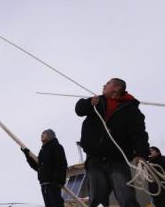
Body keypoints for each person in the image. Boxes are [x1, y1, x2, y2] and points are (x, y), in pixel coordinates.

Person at [75, 78, 149, 207]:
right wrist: (88, 104)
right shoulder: (97, 101)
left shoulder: (132, 111)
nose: (104, 85)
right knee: (97, 199)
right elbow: (79, 110)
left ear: (116, 88)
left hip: (118, 160)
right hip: (95, 159)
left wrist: (142, 154)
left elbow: (139, 134)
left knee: (126, 197)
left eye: (108, 83)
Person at [21, 129, 67, 207]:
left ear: (50, 136)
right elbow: (38, 167)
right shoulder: (43, 151)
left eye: (44, 133)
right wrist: (27, 155)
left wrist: (56, 181)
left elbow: (61, 165)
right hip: (44, 185)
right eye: (41, 133)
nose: (41, 135)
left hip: (52, 184)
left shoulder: (56, 147)